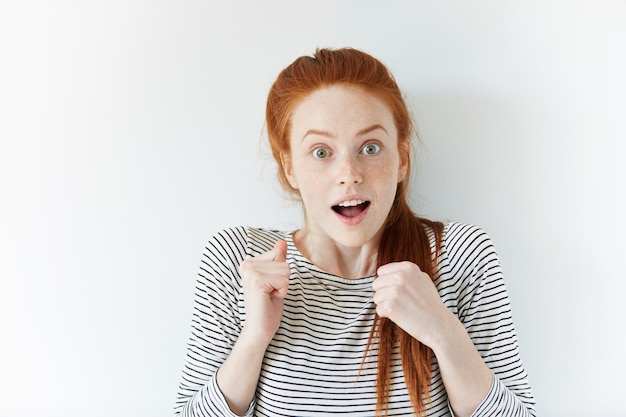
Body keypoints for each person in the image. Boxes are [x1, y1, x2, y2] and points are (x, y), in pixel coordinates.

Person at [173, 47, 536, 417]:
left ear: (402, 158)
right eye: (320, 152)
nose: (349, 173)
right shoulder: (240, 259)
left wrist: (444, 332)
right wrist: (254, 339)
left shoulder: (460, 255)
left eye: (370, 147)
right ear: (290, 167)